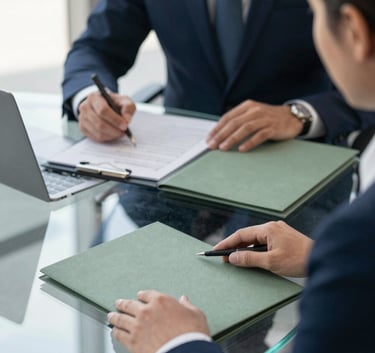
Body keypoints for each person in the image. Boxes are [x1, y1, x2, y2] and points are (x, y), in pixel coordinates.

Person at [107, 1, 375, 352]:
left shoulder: (354, 239)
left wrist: (180, 344)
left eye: (314, 14)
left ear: (354, 30)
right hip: (172, 184)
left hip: (296, 180)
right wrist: (315, 256)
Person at [63, 0, 373, 149]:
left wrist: (300, 114)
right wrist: (89, 99)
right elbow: (95, 47)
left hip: (298, 154)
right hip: (175, 155)